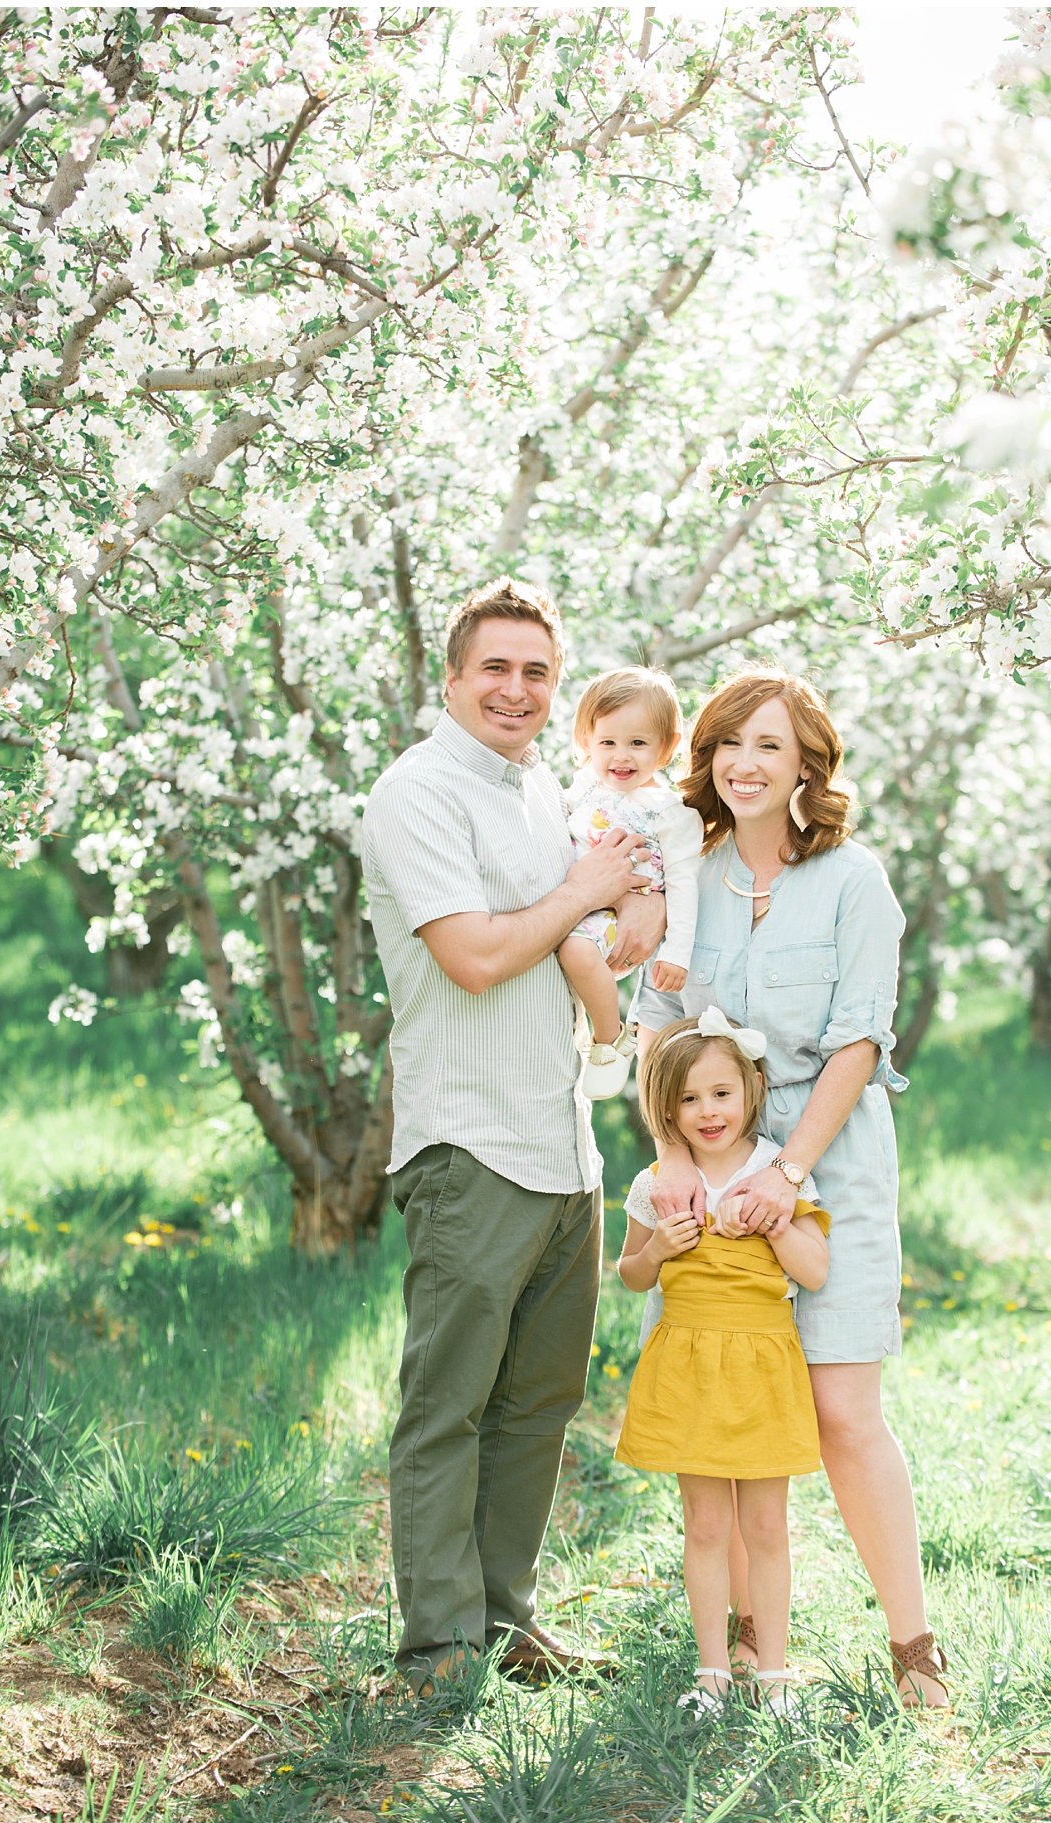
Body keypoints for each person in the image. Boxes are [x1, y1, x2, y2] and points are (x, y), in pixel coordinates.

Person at [358, 577, 667, 1692]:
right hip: (469, 1141)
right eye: (494, 665)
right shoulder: (419, 791)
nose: (517, 687)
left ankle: (503, 1618)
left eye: (538, 670)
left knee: (538, 1400)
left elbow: (587, 929)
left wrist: (622, 912)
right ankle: (437, 1645)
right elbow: (477, 955)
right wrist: (586, 888)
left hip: (563, 1146)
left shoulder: (550, 793)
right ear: (450, 676)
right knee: (450, 1403)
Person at [632, 665, 952, 1709]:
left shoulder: (855, 880)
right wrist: (676, 1156)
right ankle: (737, 1647)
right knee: (718, 1397)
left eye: (768, 744)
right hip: (709, 1161)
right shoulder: (690, 877)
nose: (744, 763)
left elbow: (862, 1036)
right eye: (727, 743)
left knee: (841, 1406)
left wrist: (791, 1165)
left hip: (830, 1156)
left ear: (807, 761)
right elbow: (657, 1023)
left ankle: (914, 1646)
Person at [614, 1010, 831, 1717]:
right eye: (686, 1099)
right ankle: (712, 1670)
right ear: (665, 1109)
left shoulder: (775, 1174)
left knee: (766, 1526)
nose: (706, 1112)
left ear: (754, 1090)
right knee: (705, 1525)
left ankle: (773, 1672)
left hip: (762, 1366)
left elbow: (817, 1269)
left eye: (720, 1094)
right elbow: (631, 1273)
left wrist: (774, 1223)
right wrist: (660, 1250)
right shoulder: (658, 1183)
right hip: (688, 1367)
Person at [554, 666, 708, 1098]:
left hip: (618, 915)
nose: (621, 756)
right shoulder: (583, 787)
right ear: (586, 741)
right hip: (582, 900)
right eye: (608, 742)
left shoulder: (670, 811)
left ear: (667, 746)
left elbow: (683, 884)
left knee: (575, 951)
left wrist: (677, 952)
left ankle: (610, 1039)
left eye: (638, 743)